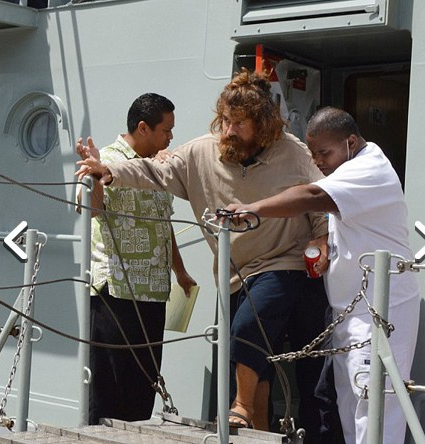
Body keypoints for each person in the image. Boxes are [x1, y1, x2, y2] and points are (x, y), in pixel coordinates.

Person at [75, 69, 330, 438]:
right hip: (232, 271)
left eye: (239, 124)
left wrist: (321, 240)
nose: (228, 131)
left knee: (247, 332)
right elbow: (155, 170)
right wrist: (108, 171)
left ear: (263, 127)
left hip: (284, 262)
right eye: (225, 120)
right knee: (252, 362)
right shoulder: (201, 151)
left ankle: (241, 409)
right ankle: (258, 430)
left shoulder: (293, 153)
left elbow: (320, 199)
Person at [223, 106, 420, 444]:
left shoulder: (369, 167)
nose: (319, 162)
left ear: (351, 142)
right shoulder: (350, 169)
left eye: (325, 153)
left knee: (373, 407)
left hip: (380, 312)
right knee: (350, 402)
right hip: (351, 311)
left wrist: (253, 209)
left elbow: (312, 196)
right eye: (313, 154)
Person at [76, 93, 196, 425]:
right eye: (166, 130)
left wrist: (181, 272)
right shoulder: (107, 159)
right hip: (115, 294)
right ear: (143, 128)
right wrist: (95, 175)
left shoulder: (159, 167)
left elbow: (163, 223)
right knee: (108, 389)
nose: (170, 137)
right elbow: (91, 210)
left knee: (143, 386)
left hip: (153, 294)